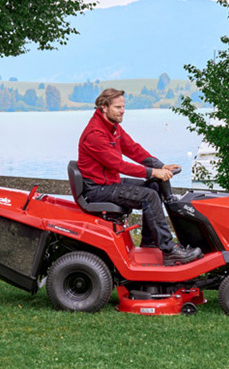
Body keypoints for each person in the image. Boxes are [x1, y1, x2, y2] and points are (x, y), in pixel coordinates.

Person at [77, 88, 202, 265]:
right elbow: (119, 165)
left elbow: (133, 149)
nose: (123, 111)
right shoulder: (95, 134)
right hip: (97, 189)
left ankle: (150, 243)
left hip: (109, 182)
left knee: (154, 186)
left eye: (123, 106)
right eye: (118, 107)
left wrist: (159, 165)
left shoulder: (112, 127)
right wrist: (153, 172)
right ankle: (169, 250)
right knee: (149, 196)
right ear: (103, 107)